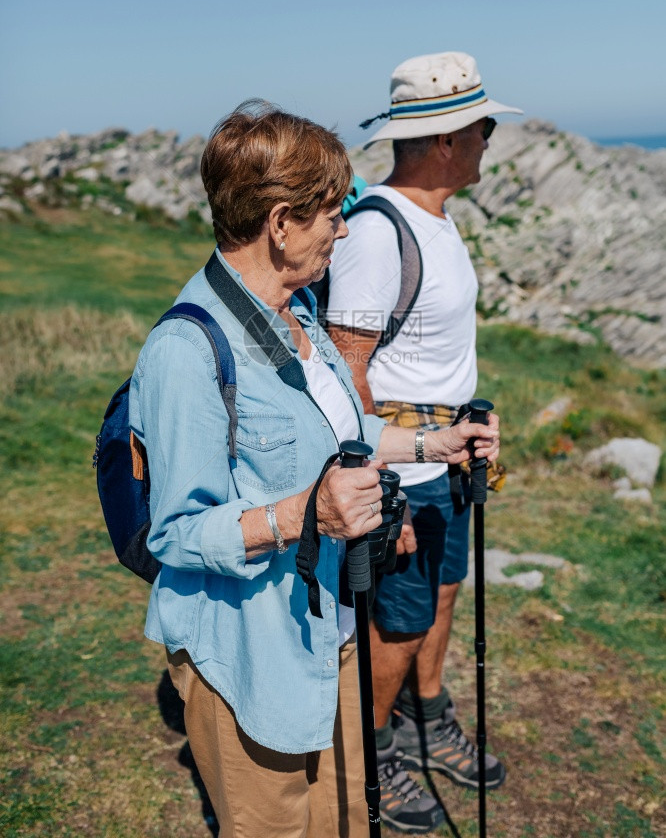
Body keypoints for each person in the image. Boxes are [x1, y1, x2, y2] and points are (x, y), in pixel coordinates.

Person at [128, 100, 501, 838]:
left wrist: (438, 445)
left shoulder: (296, 318)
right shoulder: (185, 350)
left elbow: (351, 430)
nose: (344, 226)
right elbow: (175, 534)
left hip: (323, 628)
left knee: (343, 819)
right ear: (281, 223)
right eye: (332, 212)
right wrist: (307, 514)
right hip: (246, 653)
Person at [326, 52, 521, 833]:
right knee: (398, 618)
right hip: (408, 460)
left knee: (440, 594)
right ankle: (374, 747)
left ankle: (427, 717)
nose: (489, 137)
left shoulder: (438, 219)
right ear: (444, 139)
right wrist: (384, 485)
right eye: (483, 126)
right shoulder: (378, 233)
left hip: (450, 452)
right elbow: (347, 370)